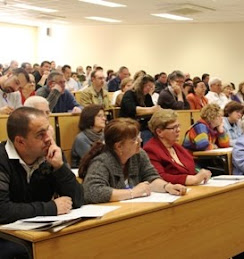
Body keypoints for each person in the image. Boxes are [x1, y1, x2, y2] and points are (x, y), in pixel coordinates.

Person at [0, 107, 83, 258]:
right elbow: (2, 211)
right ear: (20, 141)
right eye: (40, 134)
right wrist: (51, 207)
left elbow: (77, 200)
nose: (48, 139)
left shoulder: (51, 155)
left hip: (39, 234)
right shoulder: (2, 159)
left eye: (47, 130)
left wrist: (60, 168)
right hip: (6, 238)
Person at [81, 118, 186, 204]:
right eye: (134, 140)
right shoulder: (102, 162)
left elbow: (151, 178)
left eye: (139, 137)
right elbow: (92, 191)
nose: (140, 141)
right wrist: (132, 193)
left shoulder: (139, 155)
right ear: (119, 146)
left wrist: (167, 187)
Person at [144, 109, 211, 185]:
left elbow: (191, 169)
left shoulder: (178, 147)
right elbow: (158, 177)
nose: (178, 130)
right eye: (173, 128)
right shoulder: (151, 149)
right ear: (159, 132)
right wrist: (190, 179)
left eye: (178, 126)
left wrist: (202, 174)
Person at [120, 74, 160, 145]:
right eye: (148, 86)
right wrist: (151, 109)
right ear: (141, 85)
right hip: (129, 124)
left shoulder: (147, 96)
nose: (150, 88)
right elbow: (132, 109)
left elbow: (152, 110)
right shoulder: (129, 94)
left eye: (151, 86)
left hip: (144, 126)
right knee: (146, 136)